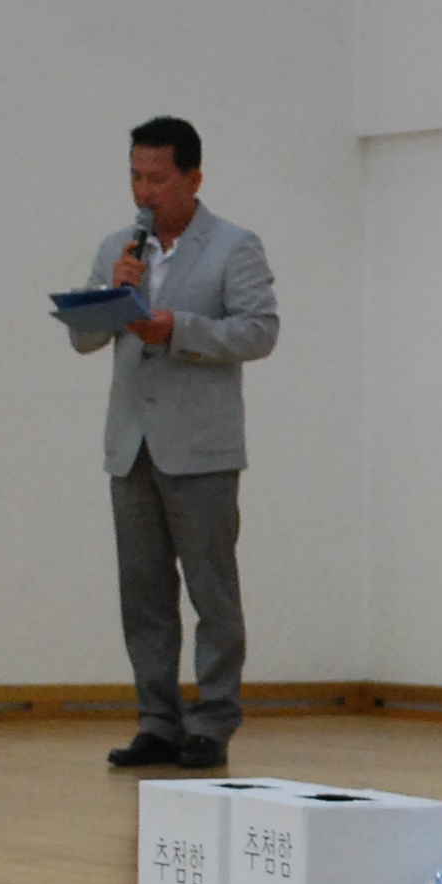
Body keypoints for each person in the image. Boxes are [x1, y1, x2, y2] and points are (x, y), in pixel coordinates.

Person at [71, 117, 278, 769]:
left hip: (200, 448)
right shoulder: (118, 247)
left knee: (212, 592)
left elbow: (259, 332)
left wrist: (177, 329)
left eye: (157, 179)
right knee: (144, 593)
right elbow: (83, 338)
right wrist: (111, 294)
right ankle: (157, 721)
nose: (144, 191)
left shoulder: (234, 246)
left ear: (193, 178)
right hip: (131, 444)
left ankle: (212, 721)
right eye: (136, 177)